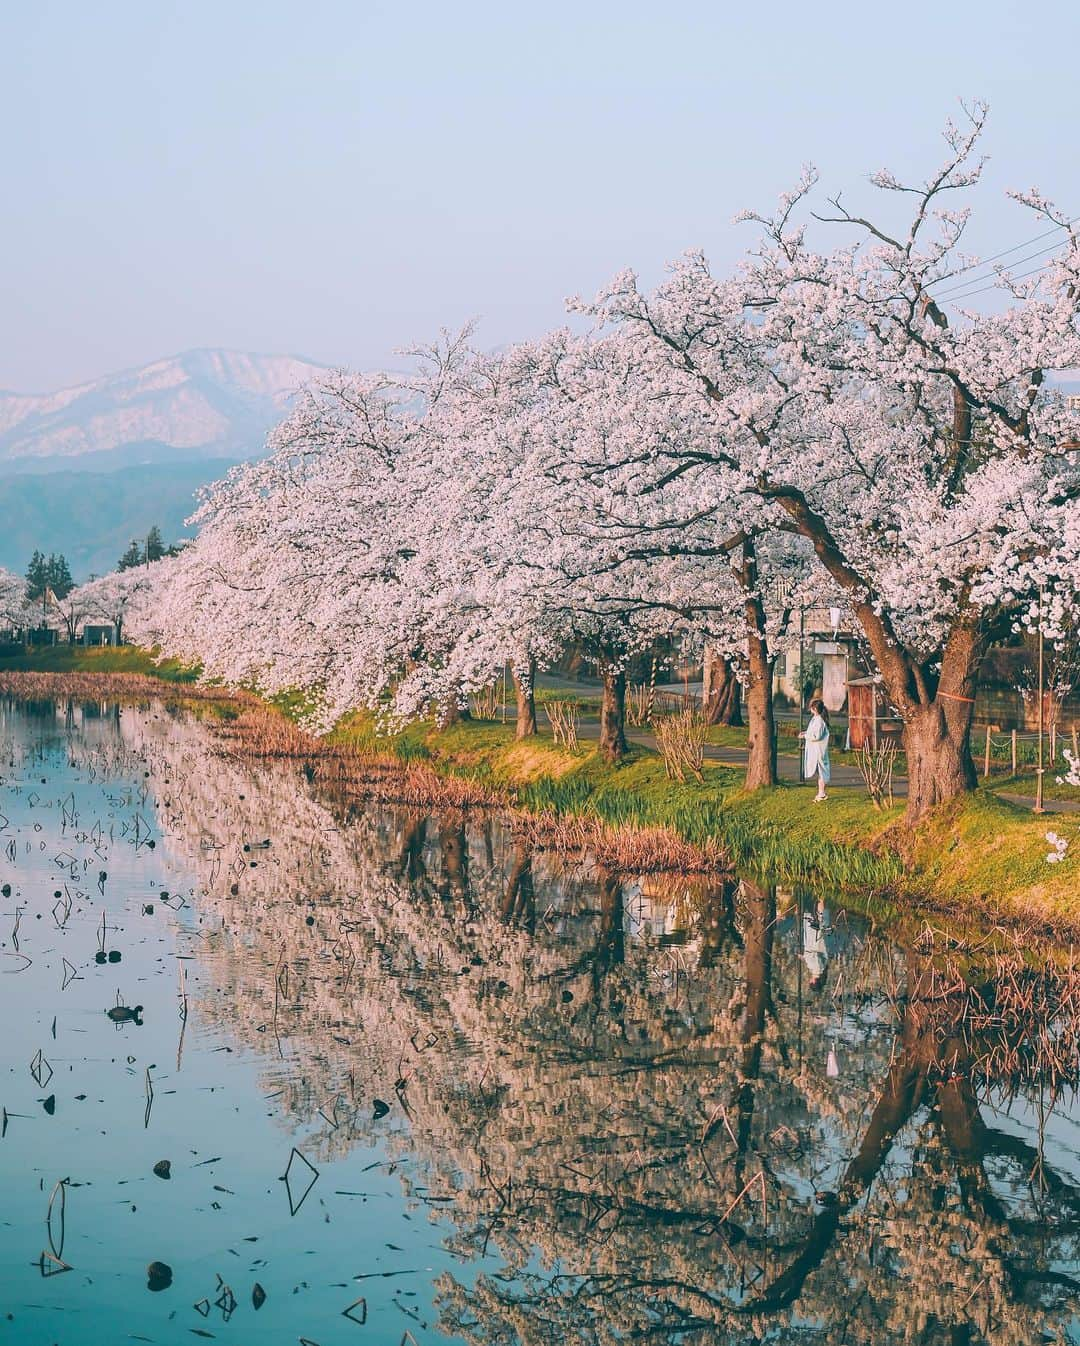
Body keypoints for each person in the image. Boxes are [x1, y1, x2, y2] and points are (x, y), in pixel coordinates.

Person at [800, 698, 831, 801]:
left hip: (818, 751)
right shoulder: (815, 719)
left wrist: (805, 736)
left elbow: (816, 736)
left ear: (814, 709)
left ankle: (822, 793)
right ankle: (821, 792)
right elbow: (812, 732)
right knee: (819, 771)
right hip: (815, 750)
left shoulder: (819, 721)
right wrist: (805, 733)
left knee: (822, 771)